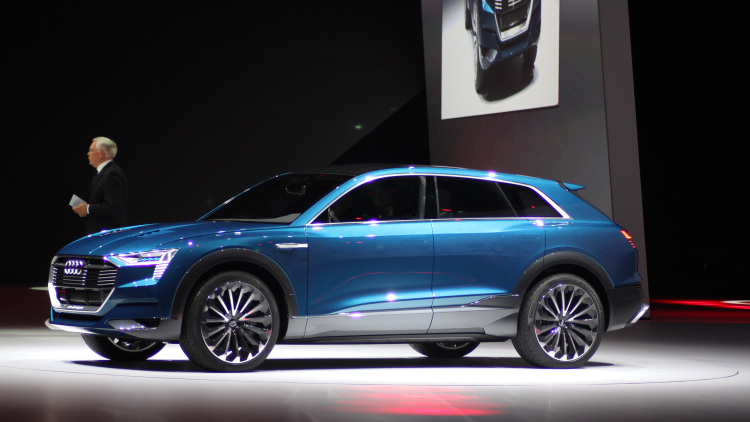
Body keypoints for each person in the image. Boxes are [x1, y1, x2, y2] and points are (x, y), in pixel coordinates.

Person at [72, 136, 129, 234]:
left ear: (101, 154)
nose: (88, 153)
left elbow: (113, 206)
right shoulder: (101, 172)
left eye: (91, 150)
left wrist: (88, 209)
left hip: (109, 233)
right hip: (101, 232)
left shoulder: (111, 173)